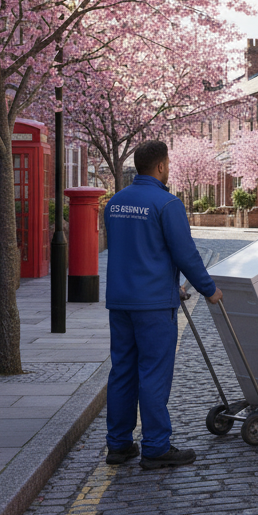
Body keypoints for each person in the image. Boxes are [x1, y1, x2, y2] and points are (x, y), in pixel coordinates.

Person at [103, 139, 224, 468]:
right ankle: (156, 446)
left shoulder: (115, 203)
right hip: (154, 306)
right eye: (167, 164)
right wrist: (208, 289)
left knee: (122, 371)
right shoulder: (167, 204)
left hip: (120, 302)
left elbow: (134, 249)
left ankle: (118, 444)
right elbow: (185, 253)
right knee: (154, 373)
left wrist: (173, 285)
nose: (168, 169)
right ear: (160, 166)